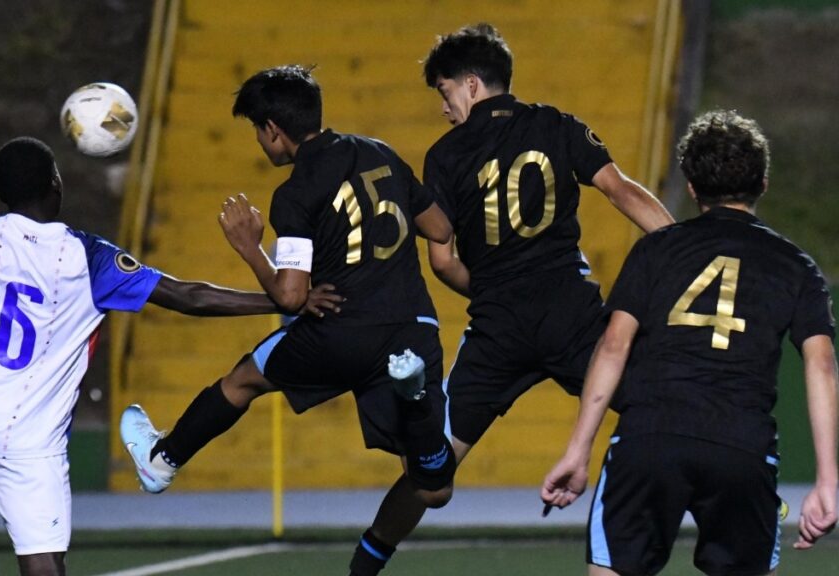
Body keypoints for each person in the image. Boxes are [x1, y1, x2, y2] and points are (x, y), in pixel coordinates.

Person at [0, 137, 339, 576]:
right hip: (26, 440)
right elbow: (186, 296)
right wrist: (278, 300)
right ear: (55, 185)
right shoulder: (86, 258)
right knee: (44, 564)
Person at [350, 22, 678, 573]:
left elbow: (443, 261)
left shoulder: (445, 155)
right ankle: (749, 498)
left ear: (473, 85)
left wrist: (497, 288)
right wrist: (683, 251)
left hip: (497, 333)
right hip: (572, 319)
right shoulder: (555, 124)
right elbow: (622, 190)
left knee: (431, 470)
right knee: (672, 410)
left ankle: (366, 561)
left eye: (446, 92)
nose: (445, 106)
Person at [118, 65, 457, 576]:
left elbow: (293, 296)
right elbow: (439, 225)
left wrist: (250, 248)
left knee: (243, 379)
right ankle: (412, 412)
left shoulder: (295, 193)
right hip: (413, 329)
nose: (259, 139)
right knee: (433, 485)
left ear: (274, 130)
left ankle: (161, 462)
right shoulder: (379, 152)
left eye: (257, 129)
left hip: (341, 329)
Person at [541, 110, 838, 575]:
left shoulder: (656, 249)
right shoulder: (796, 266)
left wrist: (579, 449)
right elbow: (820, 366)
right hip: (740, 445)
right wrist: (828, 480)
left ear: (693, 188)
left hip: (650, 436)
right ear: (763, 182)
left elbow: (614, 347)